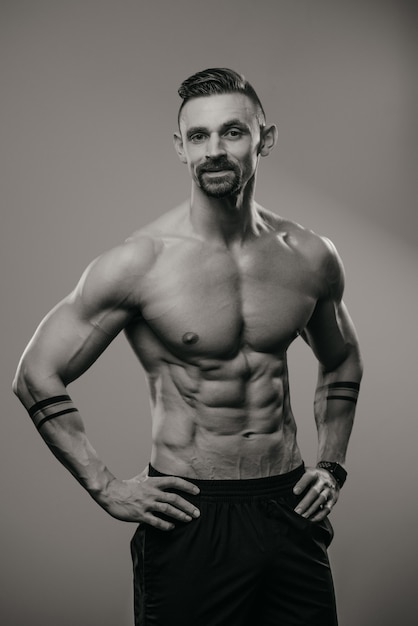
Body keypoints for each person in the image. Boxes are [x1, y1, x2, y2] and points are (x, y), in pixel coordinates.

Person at [13, 68, 363, 626]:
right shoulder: (140, 262)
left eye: (232, 132)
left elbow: (341, 356)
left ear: (264, 139)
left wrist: (332, 466)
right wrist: (105, 487)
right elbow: (35, 374)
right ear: (180, 147)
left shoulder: (309, 255)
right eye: (198, 136)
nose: (214, 150)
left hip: (289, 504)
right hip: (190, 512)